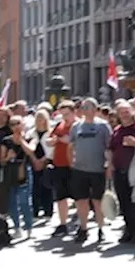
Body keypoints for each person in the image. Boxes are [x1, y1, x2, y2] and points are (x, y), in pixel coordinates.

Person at [69, 98, 112, 245]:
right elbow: (70, 145)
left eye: (89, 107)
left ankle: (101, 228)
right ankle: (83, 228)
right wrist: (71, 162)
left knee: (97, 201)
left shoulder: (103, 126)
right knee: (81, 201)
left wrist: (109, 165)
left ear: (95, 109)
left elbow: (109, 148)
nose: (86, 109)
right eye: (84, 107)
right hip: (79, 169)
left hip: (98, 169)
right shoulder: (76, 126)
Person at [109, 101, 135, 244]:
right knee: (123, 201)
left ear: (132, 112)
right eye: (121, 112)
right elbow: (111, 149)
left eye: (126, 111)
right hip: (118, 169)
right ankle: (128, 230)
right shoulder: (117, 130)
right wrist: (109, 166)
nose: (124, 115)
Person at [45, 101, 75, 236]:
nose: (65, 117)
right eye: (62, 114)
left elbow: (71, 140)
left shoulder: (77, 125)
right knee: (61, 196)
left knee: (79, 196)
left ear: (74, 112)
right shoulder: (59, 125)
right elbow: (50, 139)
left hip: (74, 165)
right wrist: (52, 141)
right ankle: (63, 224)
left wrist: (61, 139)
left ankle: (81, 223)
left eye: (67, 114)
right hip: (59, 164)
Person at [0, 115, 32, 237]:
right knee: (12, 202)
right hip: (10, 172)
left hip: (24, 171)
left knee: (24, 202)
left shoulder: (29, 137)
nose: (15, 126)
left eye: (17, 123)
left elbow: (30, 151)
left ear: (23, 124)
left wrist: (21, 140)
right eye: (12, 124)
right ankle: (17, 227)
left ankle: (28, 227)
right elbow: (1, 161)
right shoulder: (6, 141)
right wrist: (8, 157)